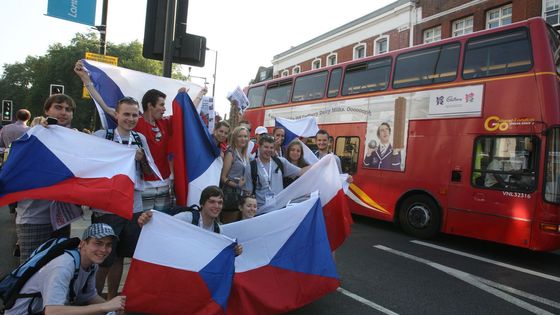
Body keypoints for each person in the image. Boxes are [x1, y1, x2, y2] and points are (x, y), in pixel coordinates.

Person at [75, 60, 207, 214]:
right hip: (143, 185)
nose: (165, 109)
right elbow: (105, 106)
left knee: (160, 223)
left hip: (164, 184)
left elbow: (185, 114)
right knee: (144, 224)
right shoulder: (135, 121)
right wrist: (86, 80)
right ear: (150, 106)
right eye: (162, 105)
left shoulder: (165, 123)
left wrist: (198, 95)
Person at [90, 97, 153, 300]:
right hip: (107, 208)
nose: (130, 118)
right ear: (116, 115)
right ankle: (93, 300)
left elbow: (148, 171)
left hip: (133, 206)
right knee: (103, 258)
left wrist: (142, 160)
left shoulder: (140, 139)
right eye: (126, 114)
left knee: (120, 257)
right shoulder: (103, 136)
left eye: (135, 115)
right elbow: (88, 162)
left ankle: (111, 302)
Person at [5, 223, 126, 315]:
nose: (104, 250)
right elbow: (52, 311)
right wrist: (104, 307)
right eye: (98, 243)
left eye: (108, 244)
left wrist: (112, 309)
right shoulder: (63, 266)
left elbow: (89, 296)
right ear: (83, 244)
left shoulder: (91, 263)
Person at [15, 94, 75, 263]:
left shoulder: (74, 140)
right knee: (29, 272)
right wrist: (37, 129)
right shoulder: (32, 136)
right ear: (47, 110)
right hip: (34, 217)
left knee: (56, 269)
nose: (64, 112)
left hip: (62, 218)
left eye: (68, 109)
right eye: (58, 107)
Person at [137, 186, 243, 255]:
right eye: (212, 202)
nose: (217, 206)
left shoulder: (218, 229)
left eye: (220, 203)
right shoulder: (188, 218)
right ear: (202, 204)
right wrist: (146, 222)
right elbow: (162, 227)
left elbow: (216, 254)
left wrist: (233, 252)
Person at [244, 134, 309, 208]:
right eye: (266, 147)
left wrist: (322, 163)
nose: (269, 150)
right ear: (259, 147)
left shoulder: (281, 162)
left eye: (271, 147)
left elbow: (301, 171)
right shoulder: (250, 167)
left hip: (278, 209)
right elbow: (248, 193)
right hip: (260, 211)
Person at [220, 126, 249, 223]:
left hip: (241, 195)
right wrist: (237, 185)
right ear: (235, 138)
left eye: (245, 136)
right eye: (240, 136)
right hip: (230, 196)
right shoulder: (230, 153)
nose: (243, 139)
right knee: (230, 224)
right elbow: (223, 177)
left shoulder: (244, 154)